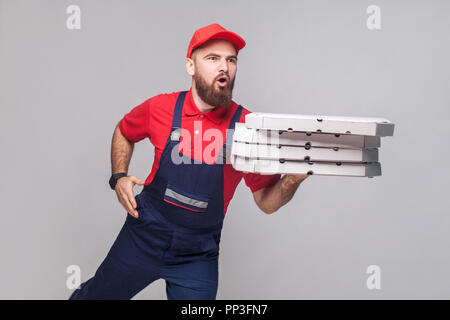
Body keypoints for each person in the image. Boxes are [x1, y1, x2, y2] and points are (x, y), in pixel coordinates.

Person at [69, 23, 308, 300]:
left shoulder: (248, 127)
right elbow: (124, 131)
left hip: (198, 255)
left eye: (231, 60)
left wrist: (293, 178)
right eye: (212, 58)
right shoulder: (161, 108)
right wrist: (118, 176)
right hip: (143, 237)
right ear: (190, 66)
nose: (224, 67)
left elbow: (266, 202)